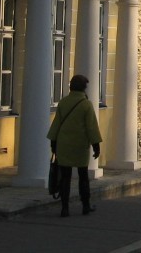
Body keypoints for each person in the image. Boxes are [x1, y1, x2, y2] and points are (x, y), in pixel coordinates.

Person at [46, 74, 103, 217]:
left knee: (65, 177)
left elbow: (57, 124)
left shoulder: (63, 102)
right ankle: (85, 205)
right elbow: (91, 127)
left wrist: (53, 143)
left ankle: (64, 208)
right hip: (80, 145)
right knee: (83, 176)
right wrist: (96, 145)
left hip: (63, 144)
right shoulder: (86, 104)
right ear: (83, 88)